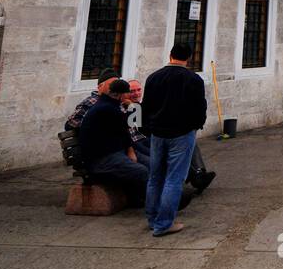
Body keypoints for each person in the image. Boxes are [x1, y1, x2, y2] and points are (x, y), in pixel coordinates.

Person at [142, 44, 207, 237]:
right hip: (181, 133)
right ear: (189, 58)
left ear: (170, 55)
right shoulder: (193, 80)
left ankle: (153, 219)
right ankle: (163, 224)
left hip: (158, 134)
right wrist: (196, 126)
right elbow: (199, 108)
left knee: (155, 177)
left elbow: (146, 107)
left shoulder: (153, 78)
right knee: (174, 179)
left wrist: (148, 128)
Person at [127, 78, 215, 194]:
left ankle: (199, 172)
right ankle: (196, 177)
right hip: (147, 141)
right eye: (132, 91)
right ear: (126, 93)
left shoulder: (142, 105)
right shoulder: (131, 108)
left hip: (157, 136)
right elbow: (141, 131)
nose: (136, 93)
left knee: (188, 139)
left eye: (138, 90)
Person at [77, 79, 148, 207]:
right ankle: (158, 203)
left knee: (151, 163)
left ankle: (141, 199)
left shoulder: (109, 105)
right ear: (121, 95)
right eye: (128, 93)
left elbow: (131, 126)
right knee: (142, 171)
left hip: (115, 151)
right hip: (101, 160)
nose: (130, 95)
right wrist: (131, 152)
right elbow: (126, 129)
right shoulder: (107, 108)